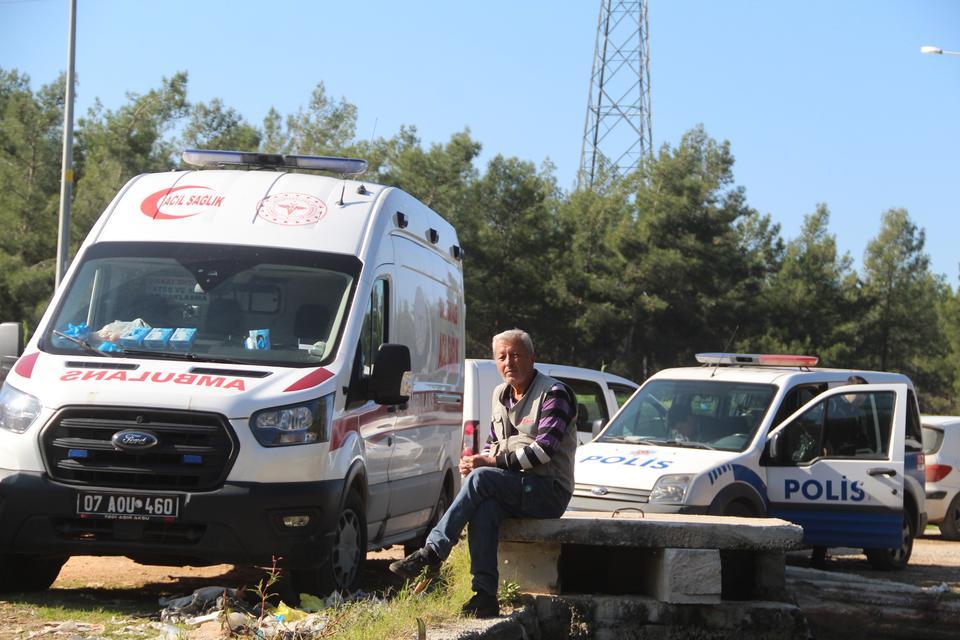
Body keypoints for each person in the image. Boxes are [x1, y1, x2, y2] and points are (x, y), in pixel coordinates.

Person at [389, 328, 577, 618]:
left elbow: (544, 452)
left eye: (515, 355)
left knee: (482, 479)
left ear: (532, 358)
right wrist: (478, 460)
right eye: (502, 357)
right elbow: (493, 441)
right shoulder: (499, 395)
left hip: (548, 491)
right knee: (484, 508)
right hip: (517, 486)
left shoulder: (554, 394)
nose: (509, 362)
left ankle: (433, 552)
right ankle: (485, 595)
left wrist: (489, 463)